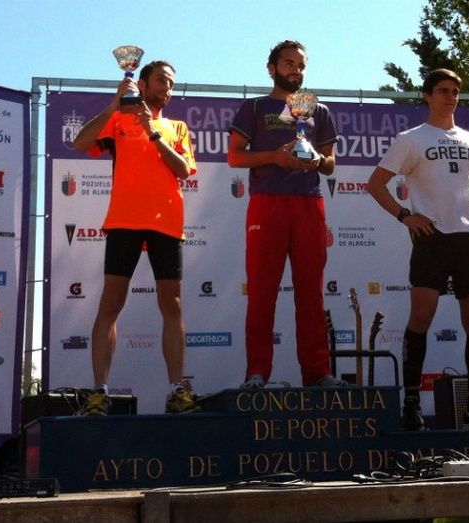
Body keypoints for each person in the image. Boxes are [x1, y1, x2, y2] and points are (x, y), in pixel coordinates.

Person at [367, 68, 469, 430]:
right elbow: (375, 184)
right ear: (427, 95)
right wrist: (405, 216)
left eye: (455, 91)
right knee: (421, 318)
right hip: (433, 237)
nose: (450, 97)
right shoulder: (411, 139)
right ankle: (411, 404)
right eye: (443, 90)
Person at [73, 60, 198, 415]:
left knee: (172, 306)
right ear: (141, 85)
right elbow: (80, 143)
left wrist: (153, 132)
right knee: (111, 304)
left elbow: (183, 170)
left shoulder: (177, 127)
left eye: (171, 83)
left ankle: (176, 390)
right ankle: (99, 392)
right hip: (124, 221)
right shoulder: (119, 119)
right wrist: (114, 104)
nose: (166, 88)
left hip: (166, 223)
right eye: (160, 80)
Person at [228, 40, 344, 388]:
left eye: (301, 65)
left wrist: (317, 160)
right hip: (268, 202)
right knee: (262, 290)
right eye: (289, 63)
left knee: (311, 291)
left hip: (308, 202)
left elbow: (330, 163)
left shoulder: (318, 110)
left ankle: (318, 372)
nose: (296, 70)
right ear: (272, 68)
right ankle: (257, 372)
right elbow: (235, 156)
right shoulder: (254, 107)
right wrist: (274, 157)